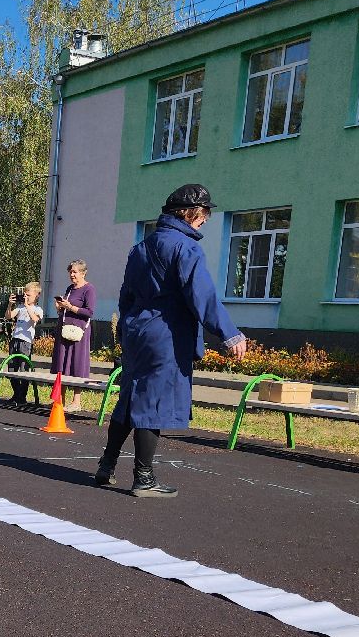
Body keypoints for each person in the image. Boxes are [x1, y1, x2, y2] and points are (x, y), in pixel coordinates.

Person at [95, 184, 247, 498]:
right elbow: (202, 294)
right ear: (191, 213)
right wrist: (229, 333)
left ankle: (106, 465)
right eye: (205, 212)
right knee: (153, 403)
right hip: (165, 334)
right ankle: (144, 478)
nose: (206, 219)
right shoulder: (185, 247)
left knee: (130, 400)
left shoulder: (142, 247)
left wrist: (125, 328)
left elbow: (127, 295)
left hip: (137, 331)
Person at [52, 260, 95, 411]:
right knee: (62, 363)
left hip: (79, 332)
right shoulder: (70, 288)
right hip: (64, 329)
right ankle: (60, 399)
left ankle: (76, 402)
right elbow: (66, 308)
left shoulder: (89, 289)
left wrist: (70, 307)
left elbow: (89, 312)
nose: (72, 274)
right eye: (70, 272)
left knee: (77, 363)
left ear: (83, 273)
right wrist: (60, 307)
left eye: (75, 272)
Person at [4, 281, 43, 410]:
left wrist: (27, 305)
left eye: (29, 295)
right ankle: (16, 394)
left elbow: (35, 319)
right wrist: (10, 304)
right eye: (24, 295)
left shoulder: (37, 309)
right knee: (12, 368)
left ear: (36, 295)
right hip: (15, 339)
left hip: (26, 342)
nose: (25, 297)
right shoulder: (19, 308)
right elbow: (8, 316)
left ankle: (22, 397)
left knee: (24, 369)